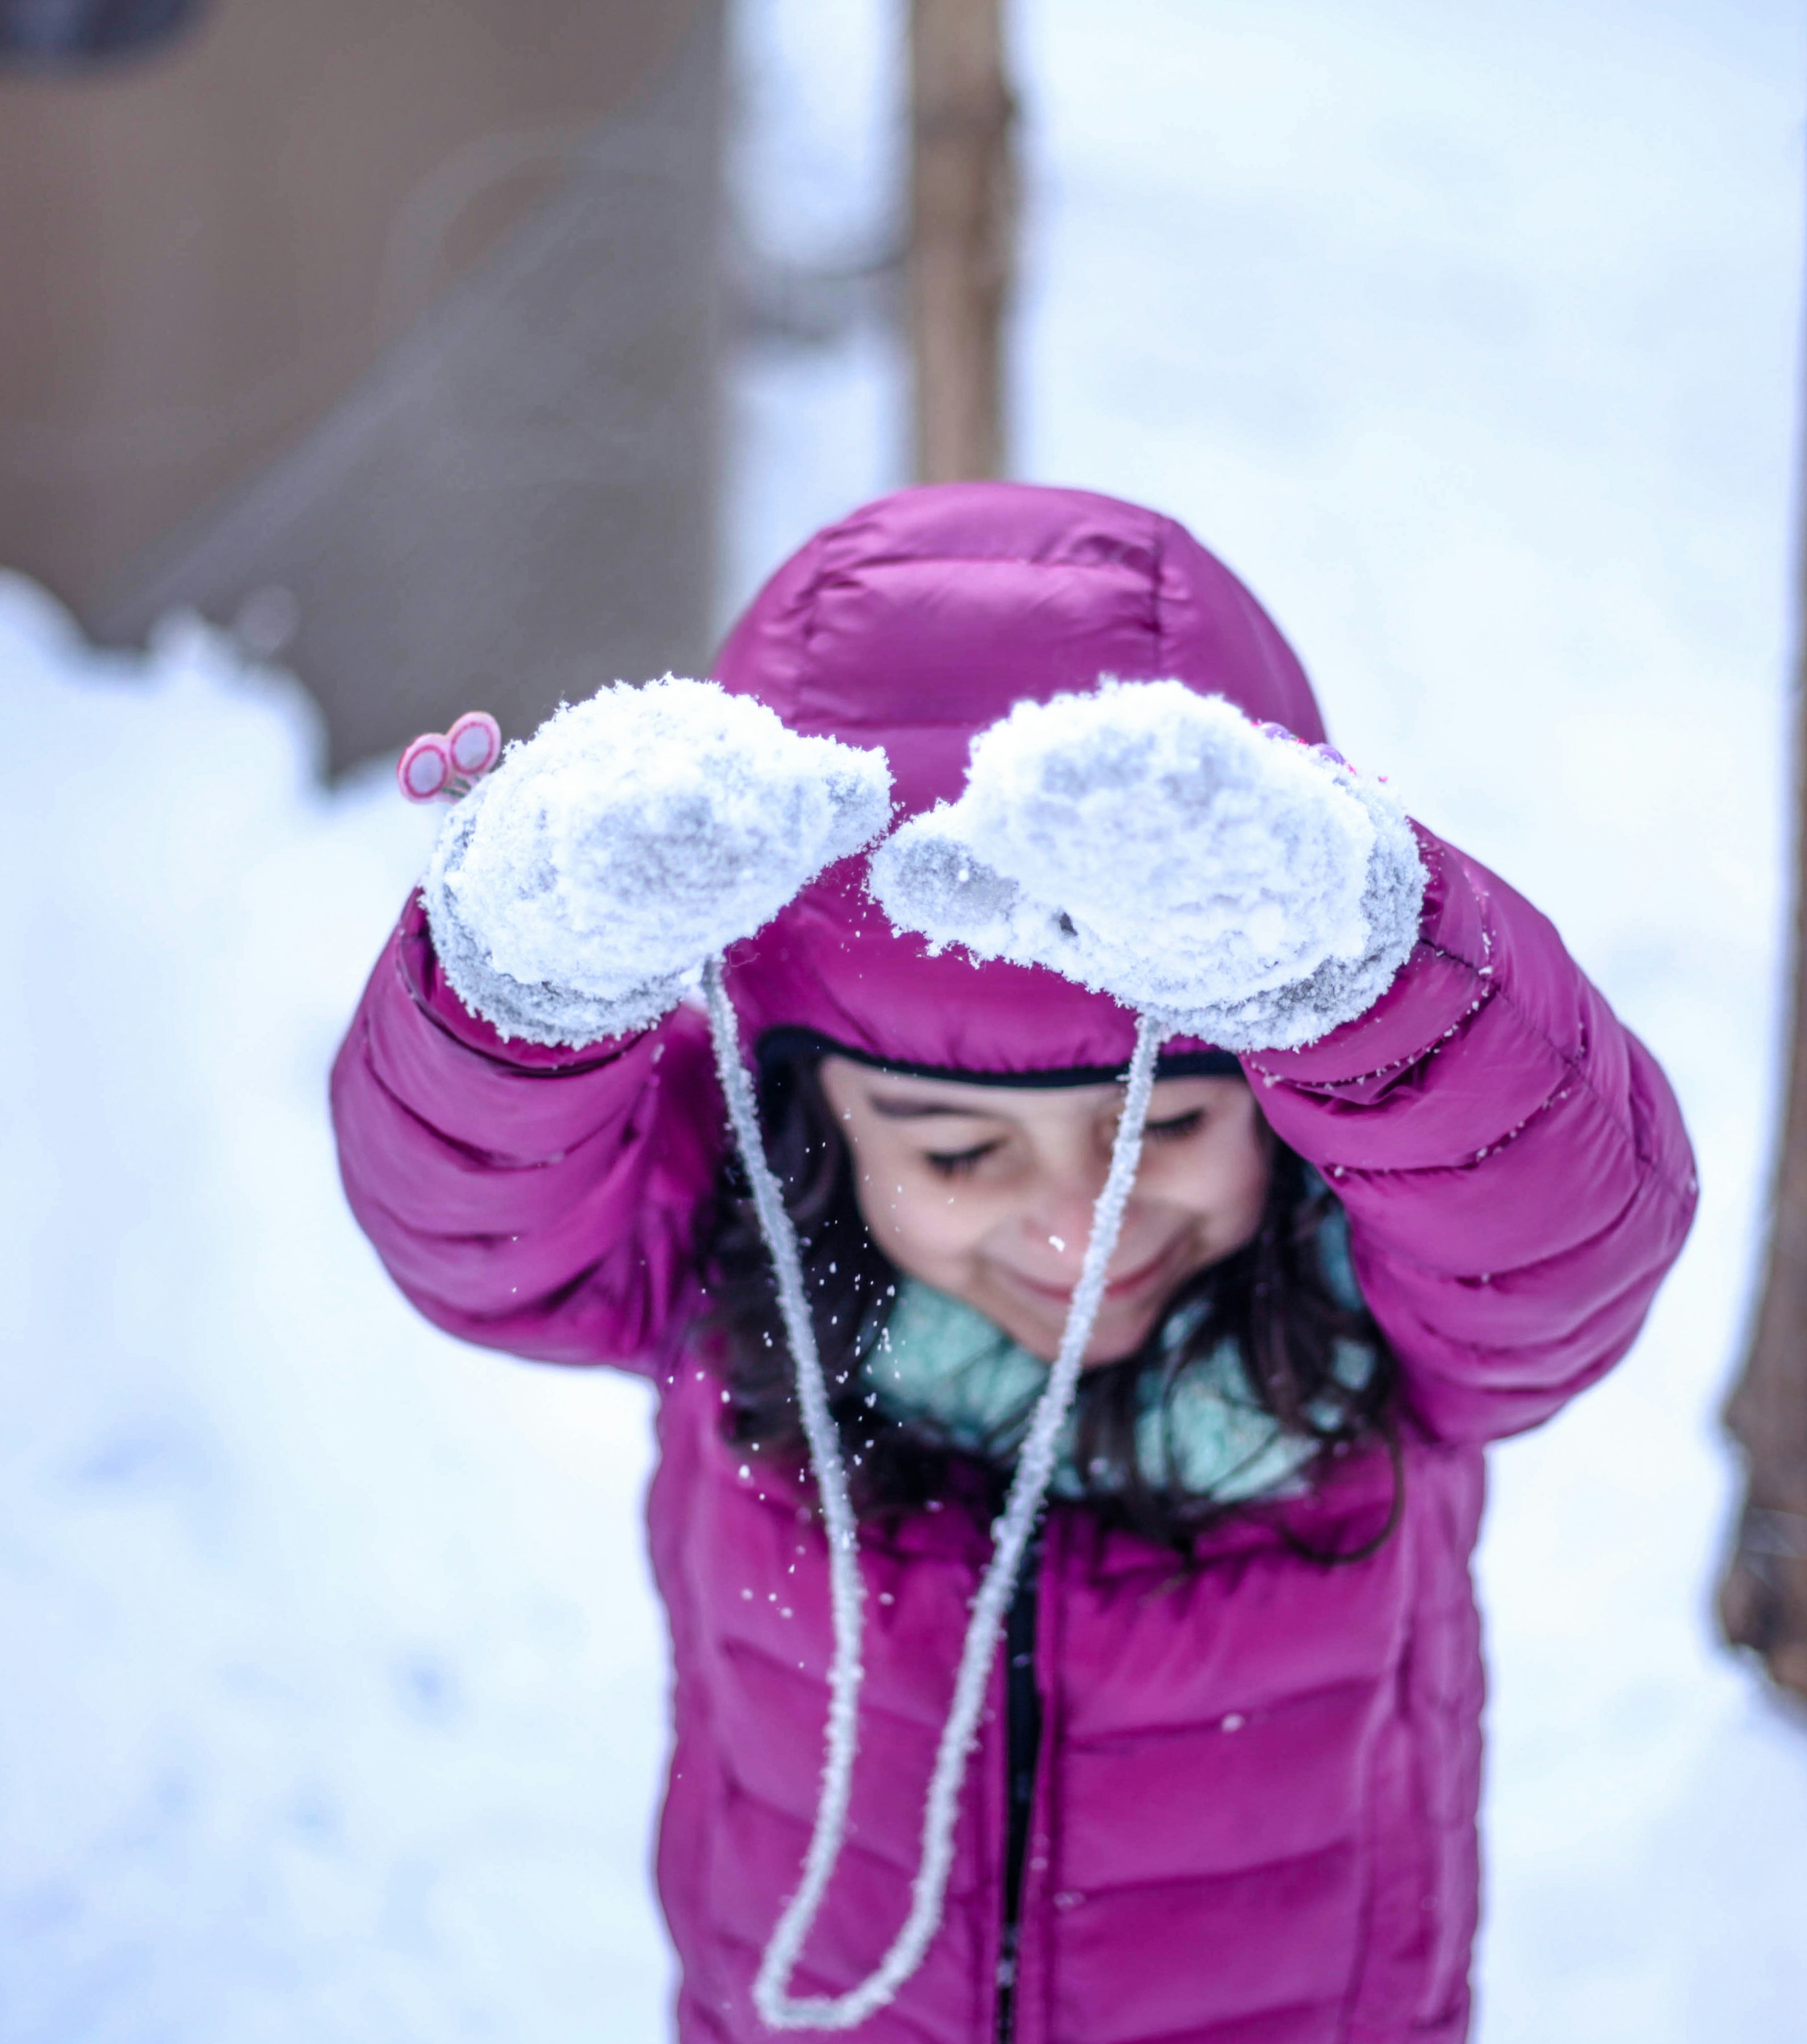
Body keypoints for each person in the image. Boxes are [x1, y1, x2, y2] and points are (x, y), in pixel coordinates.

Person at [332, 481, 1696, 2044]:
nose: (1078, 1231)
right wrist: (522, 973)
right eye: (959, 1153)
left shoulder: (1377, 1299)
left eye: (1163, 1128)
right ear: (812, 1118)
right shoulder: (731, 1256)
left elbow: (1564, 1228)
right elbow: (469, 1224)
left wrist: (1356, 962)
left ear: (1282, 1079)